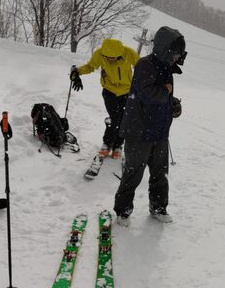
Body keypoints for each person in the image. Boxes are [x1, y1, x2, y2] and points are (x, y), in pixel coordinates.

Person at [113, 26, 186, 226]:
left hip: (159, 132)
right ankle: (123, 211)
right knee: (134, 172)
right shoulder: (145, 65)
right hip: (139, 131)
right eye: (174, 52)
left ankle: (158, 208)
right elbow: (146, 93)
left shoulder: (167, 68)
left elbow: (162, 96)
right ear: (164, 49)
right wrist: (165, 91)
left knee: (160, 173)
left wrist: (173, 105)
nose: (177, 57)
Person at [70, 39, 139, 159]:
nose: (109, 59)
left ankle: (118, 145)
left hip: (127, 92)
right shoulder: (99, 54)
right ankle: (107, 145)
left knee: (123, 119)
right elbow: (91, 66)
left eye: (113, 58)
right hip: (109, 91)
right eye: (107, 57)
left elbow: (142, 68)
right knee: (115, 118)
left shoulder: (129, 53)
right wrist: (77, 72)